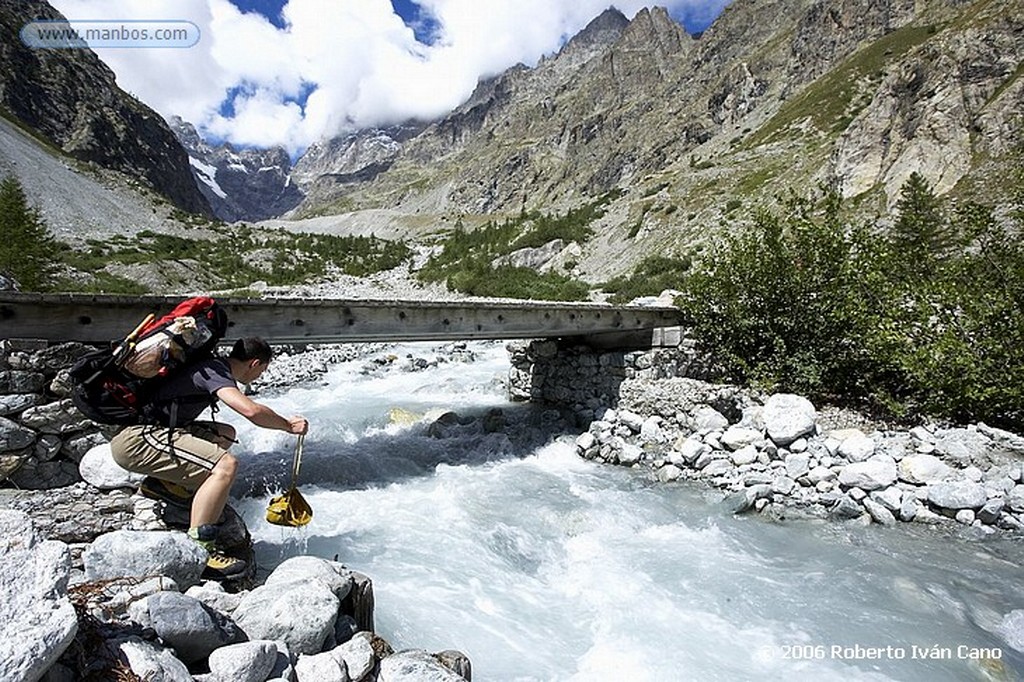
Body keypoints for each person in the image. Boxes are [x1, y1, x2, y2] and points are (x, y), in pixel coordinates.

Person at [110, 336, 308, 579]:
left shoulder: (214, 366)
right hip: (137, 440)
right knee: (226, 466)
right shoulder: (214, 371)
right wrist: (287, 425)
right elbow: (251, 411)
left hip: (150, 434)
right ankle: (202, 549)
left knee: (225, 434)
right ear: (254, 363)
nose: (260, 377)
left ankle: (164, 485)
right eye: (262, 371)